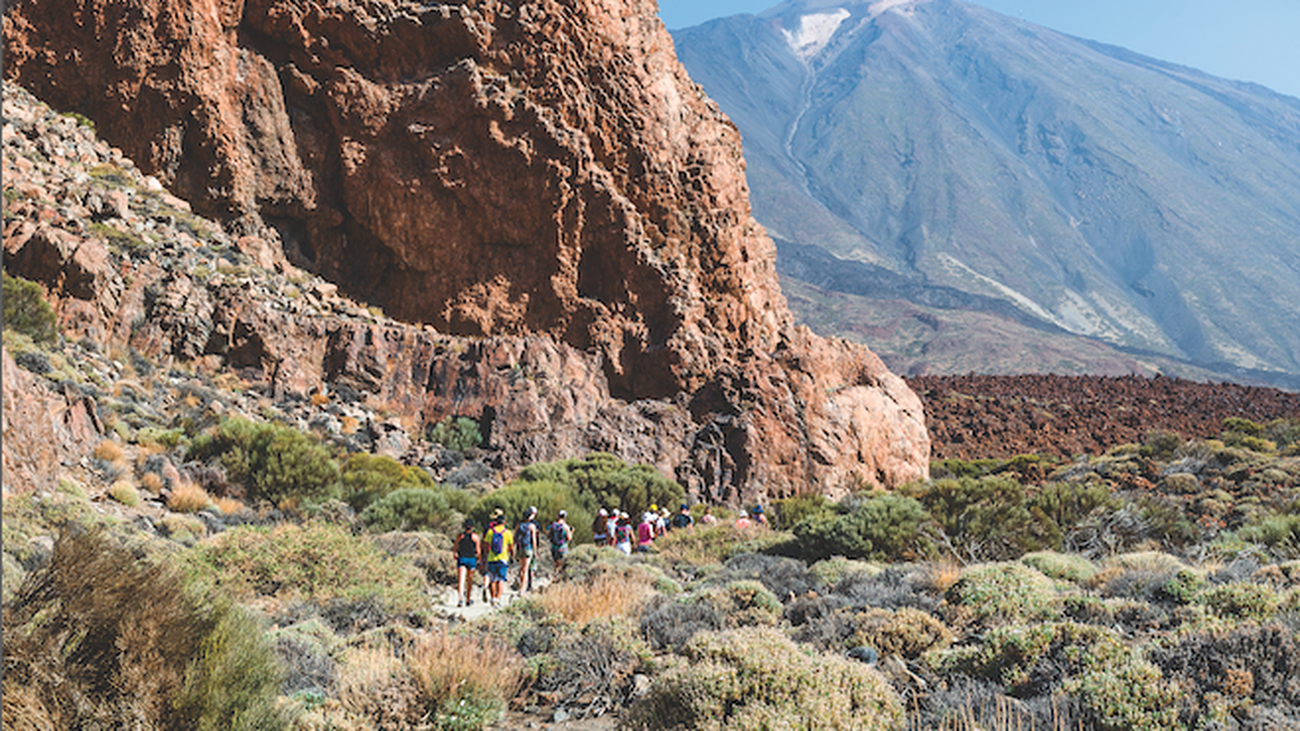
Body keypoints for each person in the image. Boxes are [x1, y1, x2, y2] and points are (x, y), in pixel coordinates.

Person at [484, 508, 514, 607]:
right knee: (500, 580)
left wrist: (485, 555)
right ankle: (497, 599)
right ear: (504, 522)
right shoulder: (508, 533)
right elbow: (511, 547)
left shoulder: (490, 531)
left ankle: (493, 598)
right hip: (503, 559)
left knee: (492, 580)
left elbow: (485, 544)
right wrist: (512, 556)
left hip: (491, 559)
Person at [455, 518, 482, 607]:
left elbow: (455, 547)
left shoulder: (460, 536)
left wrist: (455, 553)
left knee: (461, 580)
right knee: (469, 580)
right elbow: (478, 550)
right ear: (473, 527)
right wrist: (480, 560)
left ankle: (460, 599)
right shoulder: (475, 537)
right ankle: (468, 599)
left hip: (462, 558)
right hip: (472, 559)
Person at [516, 506, 539, 594]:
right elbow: (533, 539)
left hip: (520, 548)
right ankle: (522, 589)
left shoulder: (519, 525)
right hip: (528, 548)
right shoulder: (532, 526)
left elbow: (515, 537)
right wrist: (535, 550)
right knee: (525, 570)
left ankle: (521, 585)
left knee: (522, 568)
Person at [548, 509, 574, 577]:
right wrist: (572, 532)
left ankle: (555, 577)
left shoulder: (553, 525)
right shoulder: (565, 526)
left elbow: (548, 533)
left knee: (556, 565)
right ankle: (559, 580)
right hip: (562, 548)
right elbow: (569, 538)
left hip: (554, 547)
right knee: (562, 566)